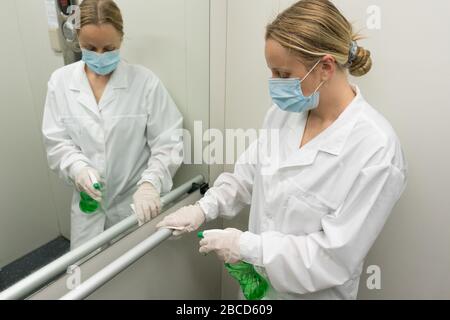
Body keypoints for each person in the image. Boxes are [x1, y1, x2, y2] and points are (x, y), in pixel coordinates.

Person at [157, 0, 407, 300]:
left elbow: (334, 258)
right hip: (258, 294)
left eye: (284, 75)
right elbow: (246, 177)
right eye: (272, 72)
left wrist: (246, 246)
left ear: (326, 67)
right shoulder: (284, 115)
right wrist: (202, 209)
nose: (274, 85)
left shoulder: (376, 150)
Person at [43, 0, 183, 249]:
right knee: (87, 279)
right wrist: (78, 170)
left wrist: (151, 183)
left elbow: (169, 142)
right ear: (77, 39)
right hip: (88, 210)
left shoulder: (145, 83)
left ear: (121, 39)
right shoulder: (60, 83)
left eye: (108, 48)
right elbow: (57, 142)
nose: (99, 56)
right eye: (90, 47)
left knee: (135, 278)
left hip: (133, 206)